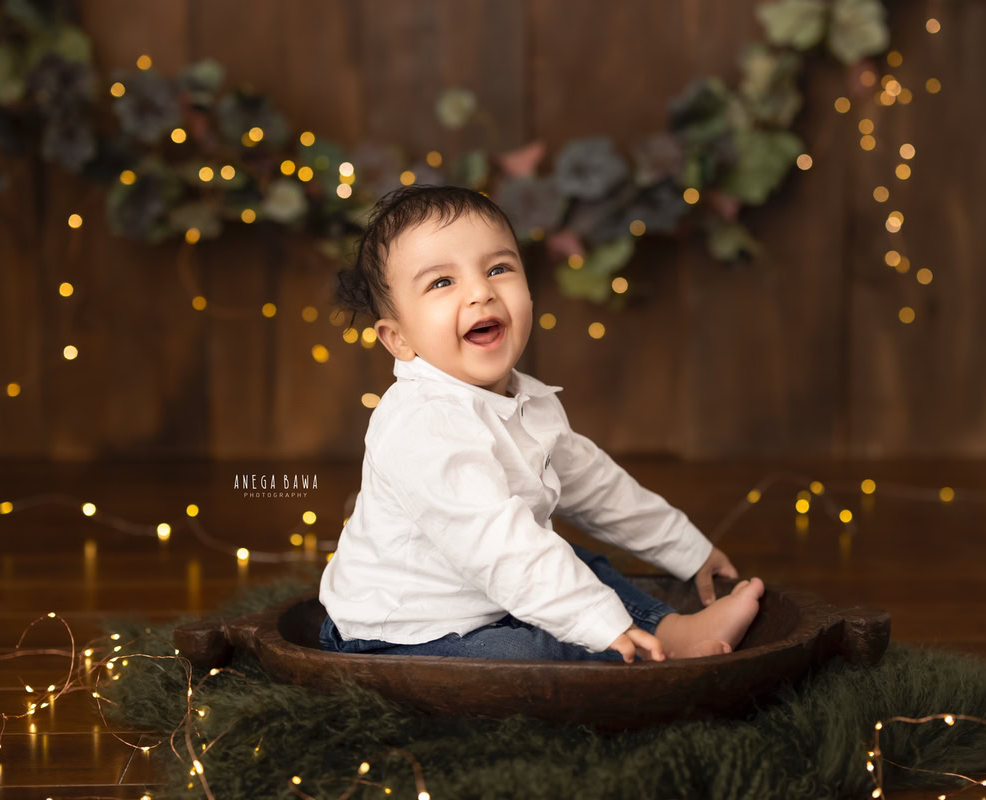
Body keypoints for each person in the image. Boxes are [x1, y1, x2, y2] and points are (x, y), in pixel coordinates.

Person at [318, 184, 765, 663]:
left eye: (498, 269)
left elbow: (597, 487)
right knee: (522, 651)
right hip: (407, 629)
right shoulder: (422, 424)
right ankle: (630, 659)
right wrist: (598, 623)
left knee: (573, 563)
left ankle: (668, 630)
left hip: (496, 589)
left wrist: (686, 548)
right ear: (398, 338)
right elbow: (500, 547)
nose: (481, 292)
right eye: (442, 282)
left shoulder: (527, 400)